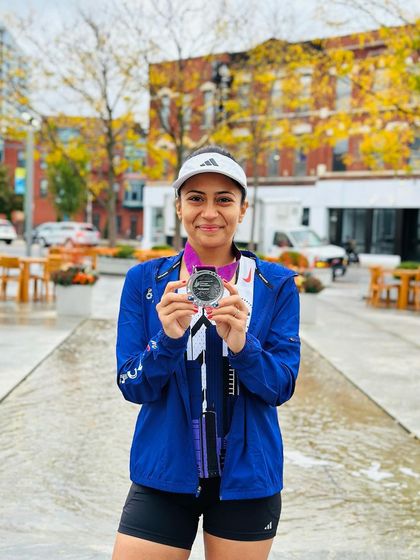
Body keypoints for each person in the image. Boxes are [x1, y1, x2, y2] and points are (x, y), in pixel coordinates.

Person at [112, 145, 301, 560]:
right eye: (196, 198)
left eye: (224, 200)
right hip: (164, 471)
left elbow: (281, 386)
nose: (210, 212)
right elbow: (131, 384)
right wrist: (166, 341)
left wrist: (243, 346)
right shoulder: (145, 281)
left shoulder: (275, 284)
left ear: (243, 209)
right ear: (179, 206)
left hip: (247, 479)